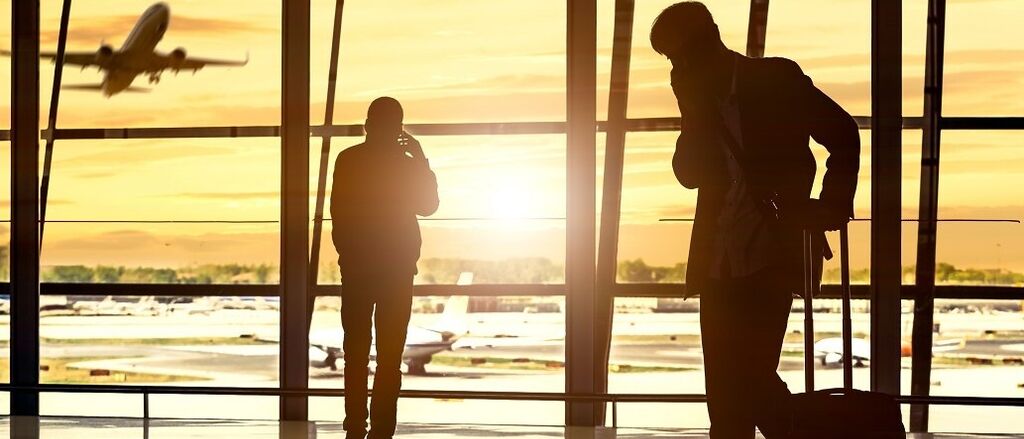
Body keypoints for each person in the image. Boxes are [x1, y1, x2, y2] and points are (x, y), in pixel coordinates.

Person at [650, 3, 860, 438]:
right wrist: (693, 115)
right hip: (717, 263)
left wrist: (831, 204)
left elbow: (843, 132)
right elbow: (689, 176)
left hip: (772, 255)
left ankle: (807, 432)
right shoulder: (699, 100)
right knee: (727, 393)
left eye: (679, 54)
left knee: (749, 378)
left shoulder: (775, 80)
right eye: (671, 60)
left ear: (707, 40)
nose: (678, 66)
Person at [330, 97, 440, 439]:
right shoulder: (407, 165)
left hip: (359, 270)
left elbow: (339, 214)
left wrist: (349, 256)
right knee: (390, 357)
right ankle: (382, 430)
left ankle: (355, 426)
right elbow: (429, 206)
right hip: (396, 270)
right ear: (399, 130)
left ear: (367, 125)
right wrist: (420, 159)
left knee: (355, 353)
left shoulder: (348, 160)